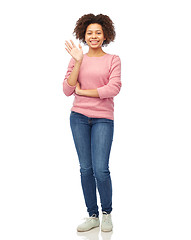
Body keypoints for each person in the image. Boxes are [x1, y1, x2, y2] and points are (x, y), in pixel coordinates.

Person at [63, 13, 121, 232]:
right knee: (86, 169)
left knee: (101, 169)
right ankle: (93, 215)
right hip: (78, 118)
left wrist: (83, 91)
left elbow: (113, 89)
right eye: (90, 33)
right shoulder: (77, 57)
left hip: (103, 119)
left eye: (98, 32)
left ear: (105, 34)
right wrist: (78, 61)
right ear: (83, 35)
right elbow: (67, 89)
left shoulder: (113, 59)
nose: (94, 36)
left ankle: (107, 213)